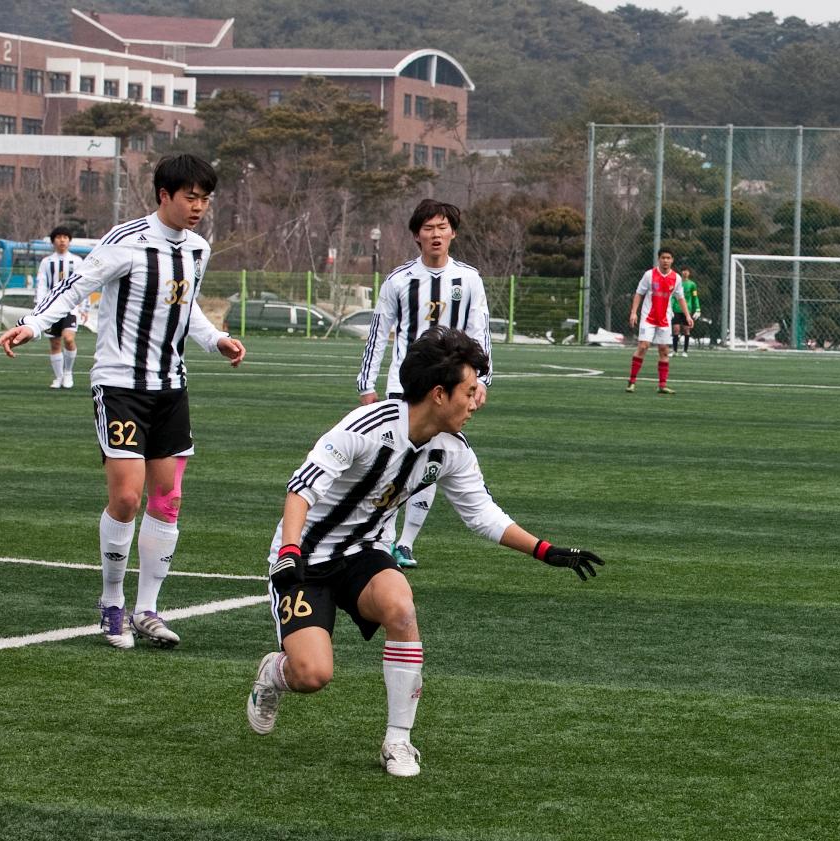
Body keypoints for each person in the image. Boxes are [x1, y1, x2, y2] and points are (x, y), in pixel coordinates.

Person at [247, 326, 604, 777]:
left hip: (364, 552)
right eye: (470, 390)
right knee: (312, 675)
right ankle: (273, 674)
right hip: (307, 557)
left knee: (401, 606)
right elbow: (301, 490)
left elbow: (482, 515)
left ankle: (398, 740)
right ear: (439, 393)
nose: (477, 401)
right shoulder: (366, 427)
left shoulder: (451, 450)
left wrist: (544, 550)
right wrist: (289, 553)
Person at [0, 154, 247, 650]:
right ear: (164, 196)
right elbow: (75, 288)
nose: (198, 207)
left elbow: (188, 309)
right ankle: (112, 600)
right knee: (128, 498)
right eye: (190, 197)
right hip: (120, 386)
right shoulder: (126, 242)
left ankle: (148, 610)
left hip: (170, 387)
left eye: (205, 198)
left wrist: (215, 340)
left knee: (168, 499)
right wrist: (35, 323)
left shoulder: (197, 249)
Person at [356, 199, 491, 571]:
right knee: (391, 460)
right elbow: (378, 335)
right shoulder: (399, 280)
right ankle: (380, 540)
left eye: (442, 227)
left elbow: (481, 333)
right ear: (417, 235)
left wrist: (482, 379)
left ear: (453, 233)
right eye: (428, 228)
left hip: (450, 387)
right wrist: (366, 385)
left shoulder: (469, 279)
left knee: (432, 460)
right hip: (406, 385)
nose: (436, 234)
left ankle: (406, 543)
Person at [626, 249, 694, 393]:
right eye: (663, 258)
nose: (665, 260)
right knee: (643, 346)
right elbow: (639, 293)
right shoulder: (649, 275)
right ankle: (631, 381)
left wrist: (687, 316)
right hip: (648, 318)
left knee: (664, 351)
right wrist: (634, 313)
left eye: (668, 258)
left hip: (664, 319)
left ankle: (662, 386)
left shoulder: (676, 278)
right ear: (659, 259)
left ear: (672, 260)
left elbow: (680, 297)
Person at [34, 225, 83, 389]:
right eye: (59, 237)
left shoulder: (77, 261)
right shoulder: (47, 262)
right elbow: (41, 284)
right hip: (51, 308)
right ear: (53, 241)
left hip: (71, 308)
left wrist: (85, 307)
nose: (62, 240)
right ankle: (59, 377)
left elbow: (84, 284)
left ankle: (68, 372)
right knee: (55, 344)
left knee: (68, 339)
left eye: (65, 237)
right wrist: (39, 307)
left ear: (69, 241)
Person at [671, 266, 701, 357]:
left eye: (687, 271)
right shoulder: (676, 283)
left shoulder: (692, 284)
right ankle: (675, 351)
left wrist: (698, 309)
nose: (685, 273)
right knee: (675, 330)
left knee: (686, 330)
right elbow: (672, 297)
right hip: (676, 309)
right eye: (683, 271)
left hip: (687, 310)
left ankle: (685, 351)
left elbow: (695, 297)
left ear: (689, 273)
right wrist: (670, 308)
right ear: (681, 272)